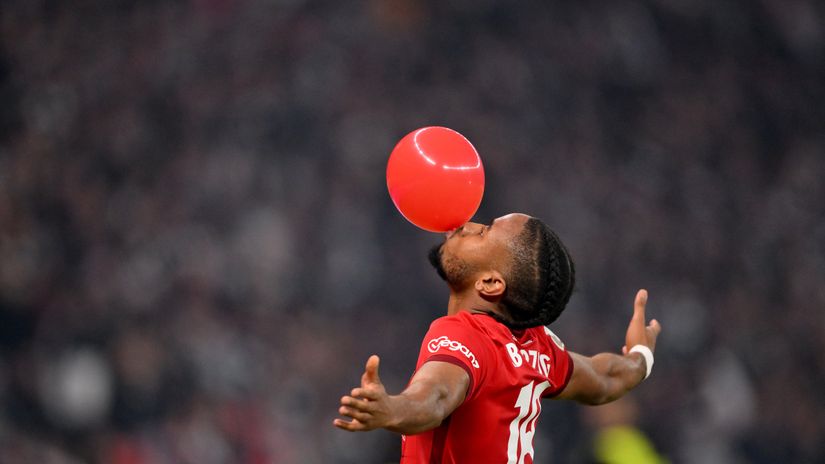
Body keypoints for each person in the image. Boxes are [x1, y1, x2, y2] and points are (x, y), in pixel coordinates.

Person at [333, 213, 662, 463]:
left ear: (490, 283)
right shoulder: (539, 347)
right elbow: (606, 378)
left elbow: (437, 396)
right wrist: (640, 358)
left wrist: (391, 409)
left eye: (485, 232)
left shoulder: (466, 335)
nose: (470, 224)